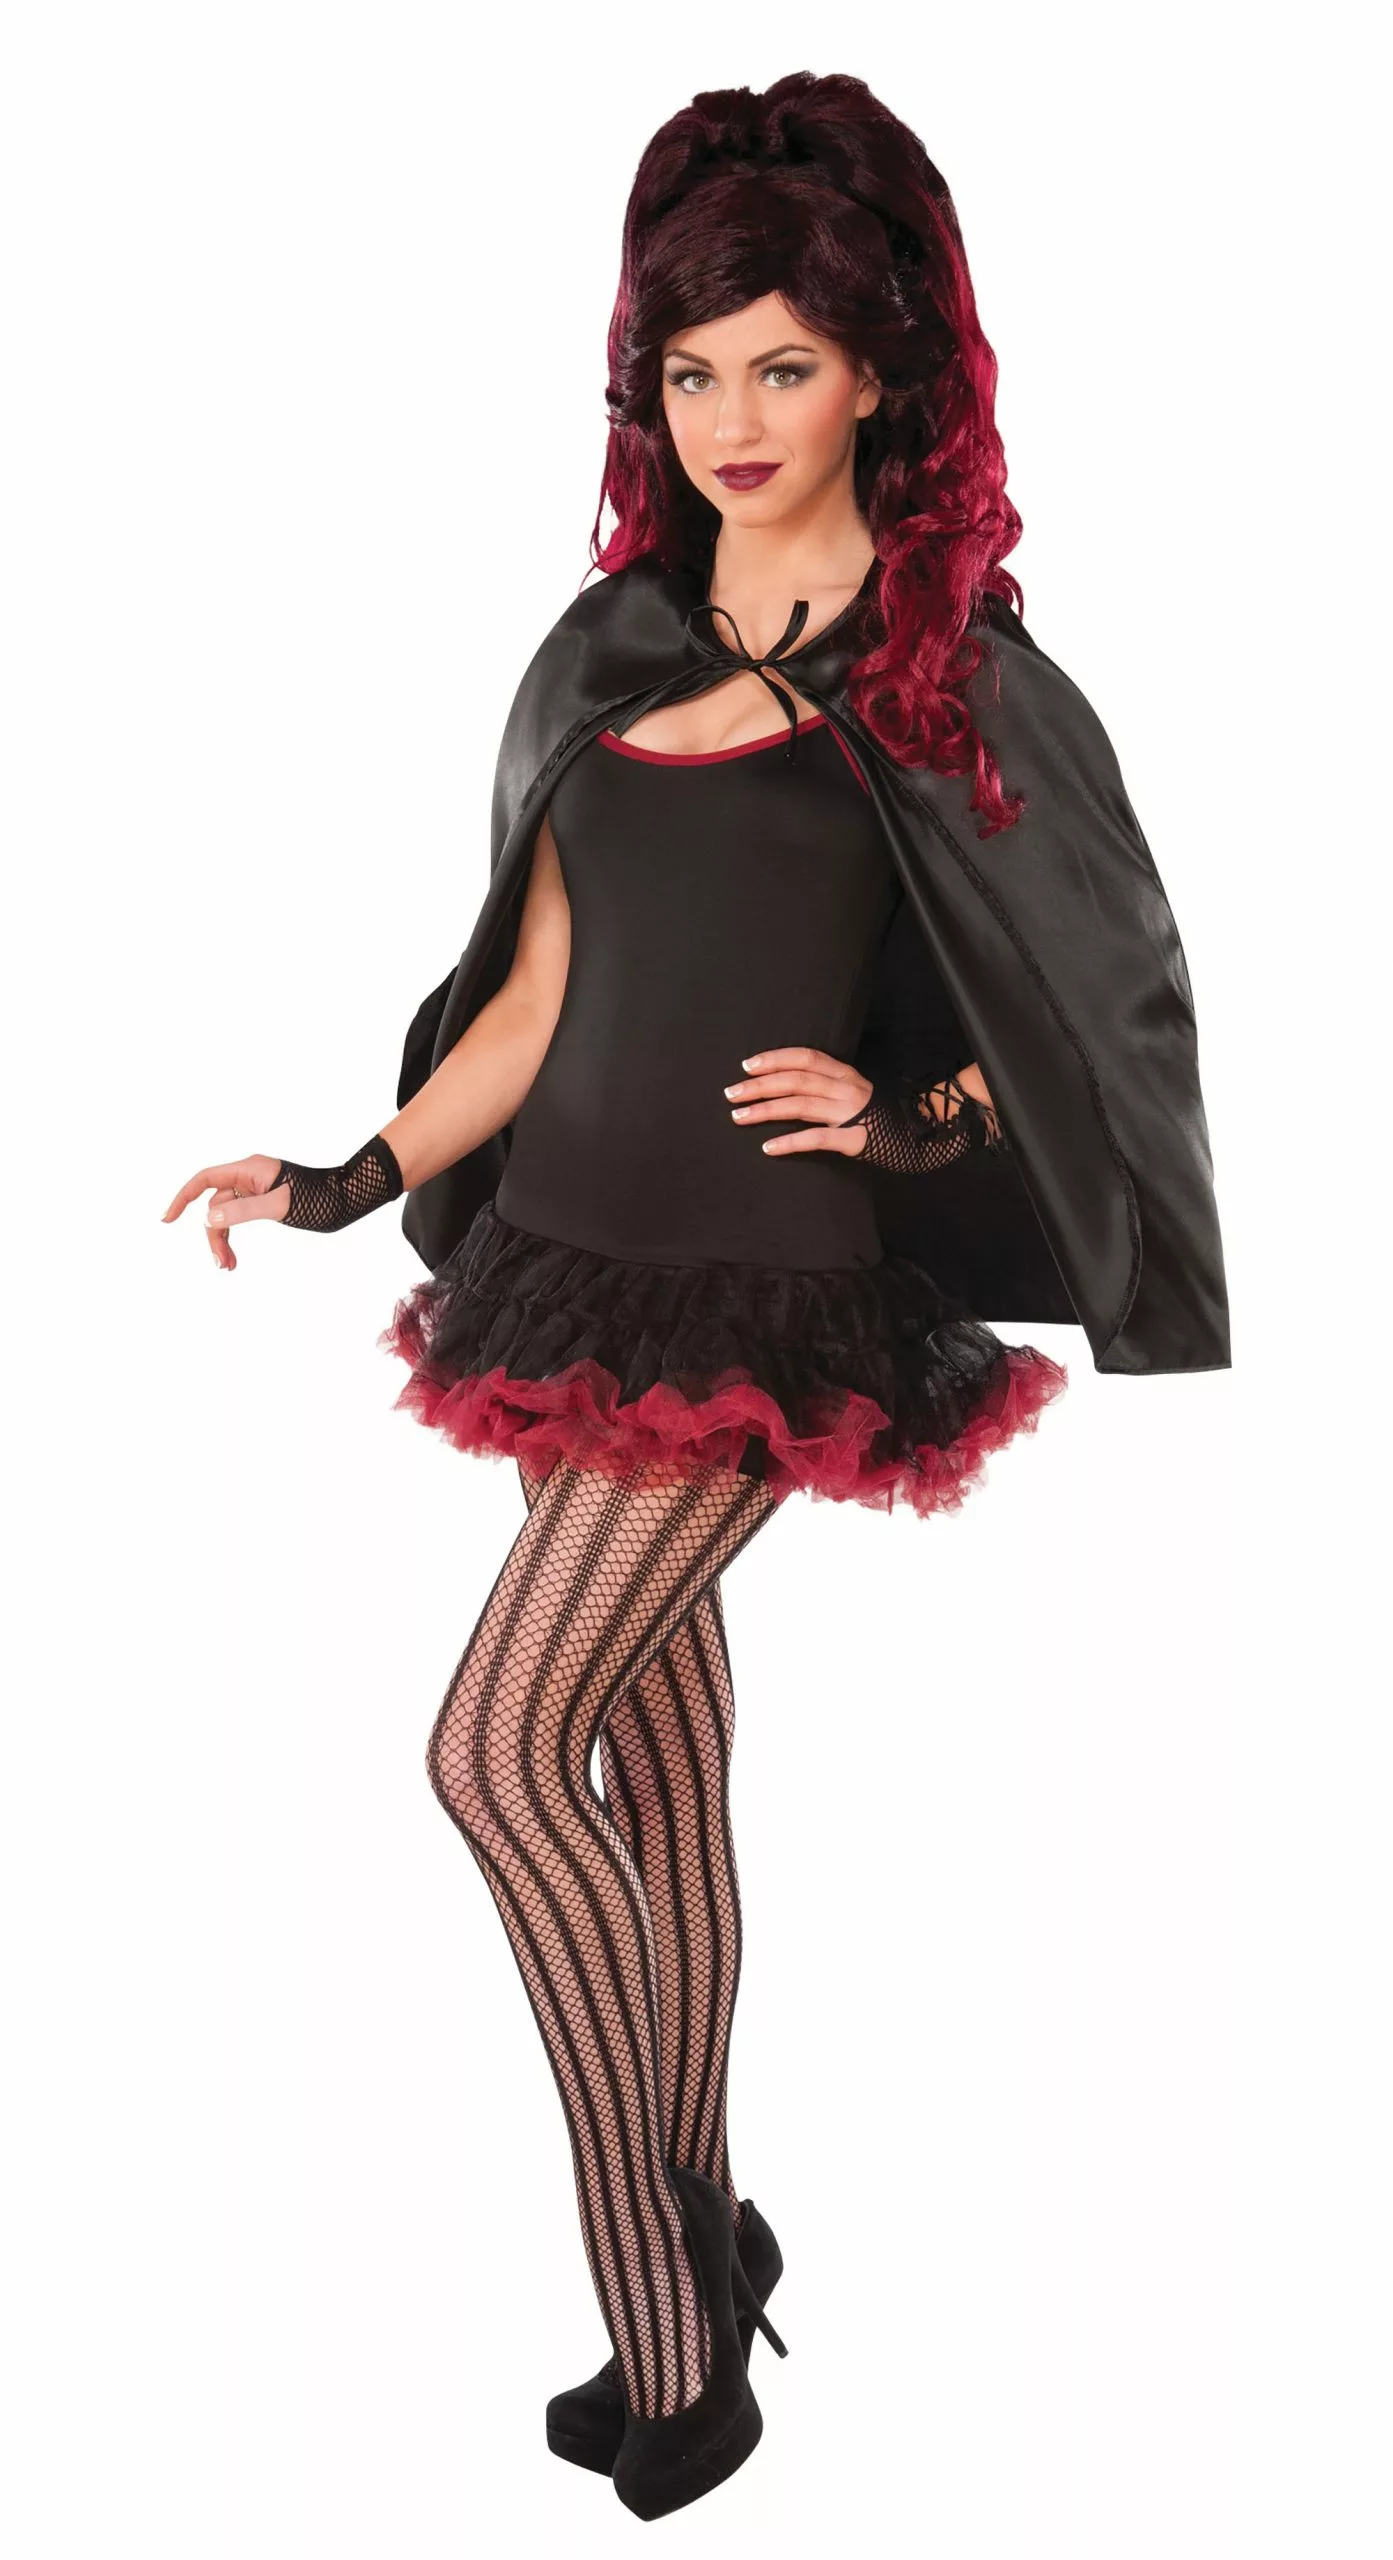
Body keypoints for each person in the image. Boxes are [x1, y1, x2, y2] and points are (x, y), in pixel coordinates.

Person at [162, 70, 1228, 2522]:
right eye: (689, 369)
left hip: (769, 1289)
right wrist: (345, 1170)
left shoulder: (956, 675)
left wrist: (906, 1118)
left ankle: (668, 2318)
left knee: (492, 1750)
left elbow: (1080, 1016)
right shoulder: (613, 641)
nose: (731, 417)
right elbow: (536, 990)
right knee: (653, 1759)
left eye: (784, 365)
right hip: (576, 1258)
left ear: (876, 376)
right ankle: (719, 2219)